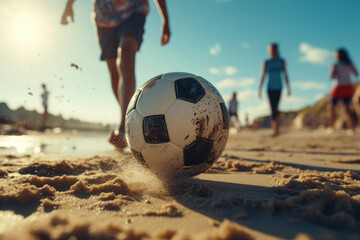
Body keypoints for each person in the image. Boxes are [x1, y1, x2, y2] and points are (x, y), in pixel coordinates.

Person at [61, 0, 171, 149]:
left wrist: (165, 19)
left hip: (133, 9)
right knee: (114, 73)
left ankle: (123, 127)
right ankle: (132, 117)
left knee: (126, 55)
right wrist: (68, 6)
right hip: (105, 17)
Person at [258, 43, 291, 137]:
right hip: (269, 88)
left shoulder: (281, 61)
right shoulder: (266, 62)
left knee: (276, 108)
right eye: (270, 49)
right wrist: (259, 89)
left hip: (279, 87)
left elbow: (285, 74)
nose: (271, 50)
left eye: (273, 49)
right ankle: (275, 130)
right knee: (272, 108)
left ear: (276, 49)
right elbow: (263, 76)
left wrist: (288, 88)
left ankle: (277, 130)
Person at [328, 48, 358, 135]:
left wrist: (333, 73)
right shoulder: (349, 64)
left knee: (331, 108)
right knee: (347, 109)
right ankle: (351, 129)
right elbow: (356, 73)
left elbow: (332, 77)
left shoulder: (335, 64)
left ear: (338, 55)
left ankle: (331, 128)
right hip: (348, 86)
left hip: (338, 87)